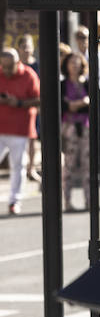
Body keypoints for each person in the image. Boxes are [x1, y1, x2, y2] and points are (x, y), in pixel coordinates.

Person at [0, 48, 40, 214]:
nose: (7, 71)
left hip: (20, 128)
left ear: (18, 62)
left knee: (18, 166)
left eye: (10, 67)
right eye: (4, 67)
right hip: (1, 127)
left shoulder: (29, 75)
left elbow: (39, 99)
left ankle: (14, 201)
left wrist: (18, 103)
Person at [60, 51, 91, 212]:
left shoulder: (87, 84)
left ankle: (89, 201)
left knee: (88, 166)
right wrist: (82, 102)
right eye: (71, 62)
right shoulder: (63, 85)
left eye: (77, 62)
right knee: (69, 166)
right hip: (69, 127)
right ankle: (67, 201)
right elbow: (67, 106)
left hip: (85, 126)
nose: (74, 65)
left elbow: (93, 105)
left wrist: (78, 103)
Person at [18, 35, 42, 182]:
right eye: (24, 47)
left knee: (33, 138)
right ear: (19, 49)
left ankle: (31, 168)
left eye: (29, 46)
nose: (27, 50)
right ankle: (21, 167)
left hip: (34, 105)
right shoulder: (15, 66)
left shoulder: (38, 65)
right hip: (18, 105)